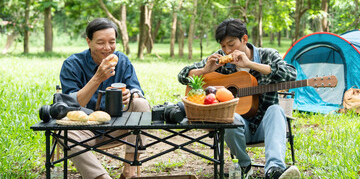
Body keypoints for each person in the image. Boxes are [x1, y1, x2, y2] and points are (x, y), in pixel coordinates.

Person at [178, 19, 301, 179]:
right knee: (229, 117)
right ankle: (244, 166)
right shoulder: (219, 59)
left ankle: (274, 170)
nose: (227, 50)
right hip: (235, 128)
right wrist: (204, 70)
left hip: (265, 127)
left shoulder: (267, 55)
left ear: (244, 39)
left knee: (276, 110)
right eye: (223, 46)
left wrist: (250, 64)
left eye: (231, 44)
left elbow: (291, 74)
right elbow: (182, 75)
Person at [60, 18, 151, 179]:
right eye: (101, 42)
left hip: (117, 125)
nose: (108, 48)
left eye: (112, 42)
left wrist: (132, 95)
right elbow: (72, 105)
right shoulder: (72, 64)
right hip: (85, 129)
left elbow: (136, 89)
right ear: (89, 42)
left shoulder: (121, 60)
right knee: (64, 134)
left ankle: (129, 172)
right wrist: (97, 78)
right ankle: (101, 177)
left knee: (141, 104)